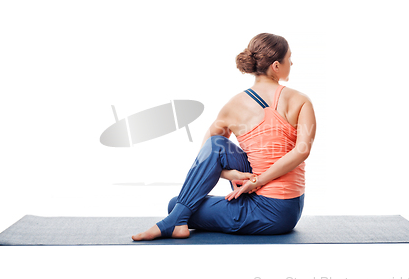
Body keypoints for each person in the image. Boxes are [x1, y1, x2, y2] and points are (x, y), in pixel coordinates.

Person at [132, 33, 316, 241]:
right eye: (289, 58)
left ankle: (175, 220)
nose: (291, 62)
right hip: (290, 209)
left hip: (268, 214)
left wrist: (253, 181)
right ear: (276, 65)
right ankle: (177, 219)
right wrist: (233, 175)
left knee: (177, 205)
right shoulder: (301, 101)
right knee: (180, 203)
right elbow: (303, 150)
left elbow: (208, 150)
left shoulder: (234, 105)